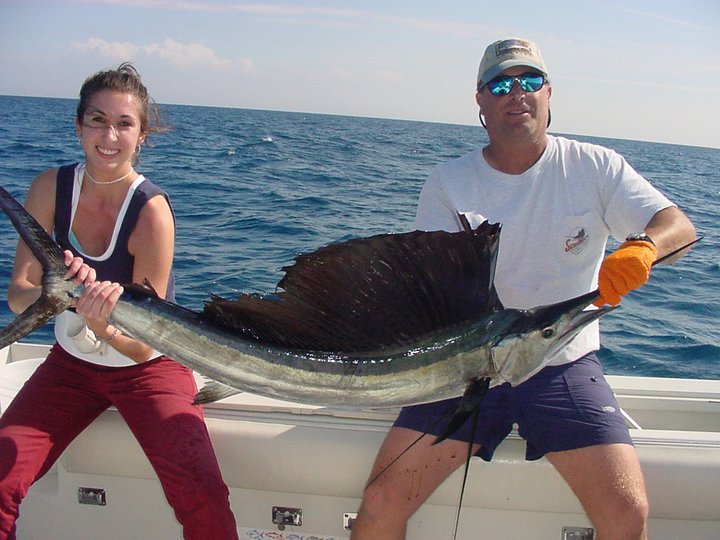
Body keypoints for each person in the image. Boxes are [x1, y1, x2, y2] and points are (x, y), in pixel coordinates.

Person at [350, 37, 696, 540]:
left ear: (549, 94)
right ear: (481, 102)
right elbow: (431, 294)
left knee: (627, 513)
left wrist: (644, 246)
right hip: (465, 370)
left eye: (530, 80)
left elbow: (678, 227)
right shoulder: (448, 183)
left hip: (561, 365)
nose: (517, 92)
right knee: (380, 501)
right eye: (501, 84)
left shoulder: (595, 167)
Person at [0, 64, 238, 539]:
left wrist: (104, 324)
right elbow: (19, 295)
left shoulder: (150, 211)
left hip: (149, 368)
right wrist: (71, 299)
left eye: (124, 123)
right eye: (97, 120)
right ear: (78, 125)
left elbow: (144, 346)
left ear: (142, 135)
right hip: (70, 366)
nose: (109, 135)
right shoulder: (50, 188)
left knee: (202, 494)